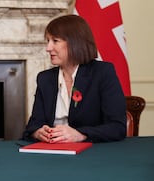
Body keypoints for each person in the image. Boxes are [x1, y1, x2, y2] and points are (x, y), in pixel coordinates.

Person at [22, 14, 126, 143]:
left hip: (92, 153)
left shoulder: (102, 72)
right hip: (51, 152)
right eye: (48, 41)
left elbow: (117, 127)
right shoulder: (45, 78)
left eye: (55, 41)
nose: (48, 48)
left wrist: (80, 135)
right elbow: (33, 125)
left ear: (74, 42)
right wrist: (38, 133)